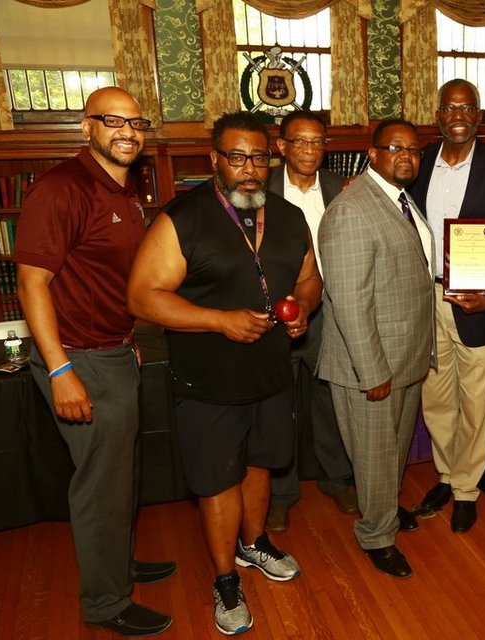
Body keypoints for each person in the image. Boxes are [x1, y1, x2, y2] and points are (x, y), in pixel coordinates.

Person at [127, 111, 320, 635]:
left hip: (271, 375)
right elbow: (142, 297)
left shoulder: (288, 217)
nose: (249, 169)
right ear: (215, 159)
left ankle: (253, 545)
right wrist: (219, 320)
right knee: (217, 481)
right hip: (207, 381)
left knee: (260, 465)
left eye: (259, 157)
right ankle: (224, 579)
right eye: (237, 157)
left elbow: (310, 279)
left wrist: (303, 307)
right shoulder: (182, 218)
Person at [14, 87, 174, 637]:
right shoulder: (62, 188)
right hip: (80, 358)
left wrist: (126, 337)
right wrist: (61, 371)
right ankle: (106, 601)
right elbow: (32, 283)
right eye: (113, 121)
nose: (128, 131)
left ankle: (118, 565)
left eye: (136, 123)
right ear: (87, 128)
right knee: (101, 486)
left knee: (121, 474)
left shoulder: (124, 187)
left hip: (113, 349)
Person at [318, 119, 435, 579]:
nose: (406, 156)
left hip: (404, 354)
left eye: (414, 150)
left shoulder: (400, 198)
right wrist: (373, 372)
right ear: (372, 153)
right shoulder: (352, 209)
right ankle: (376, 535)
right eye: (395, 148)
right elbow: (350, 302)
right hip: (371, 365)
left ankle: (384, 509)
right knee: (373, 456)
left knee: (392, 450)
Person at [408, 80, 485, 532]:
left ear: (479, 115)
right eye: (450, 107)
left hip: (476, 301)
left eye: (467, 108)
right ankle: (446, 475)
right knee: (436, 398)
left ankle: (467, 490)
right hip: (425, 297)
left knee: (476, 402)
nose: (458, 115)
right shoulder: (417, 162)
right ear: (438, 114)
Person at [266, 110, 356, 533]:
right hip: (274, 314)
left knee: (330, 400)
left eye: (317, 142)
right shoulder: (259, 187)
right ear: (281, 146)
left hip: (330, 312)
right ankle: (280, 495)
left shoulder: (342, 188)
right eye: (300, 141)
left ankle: (337, 478)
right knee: (277, 405)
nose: (309, 150)